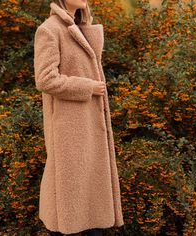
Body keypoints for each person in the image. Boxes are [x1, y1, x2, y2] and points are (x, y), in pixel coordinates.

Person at [33, 0, 124, 235]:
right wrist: (87, 87)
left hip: (89, 124)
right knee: (69, 204)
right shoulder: (49, 29)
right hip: (69, 129)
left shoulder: (77, 28)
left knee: (92, 201)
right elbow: (45, 79)